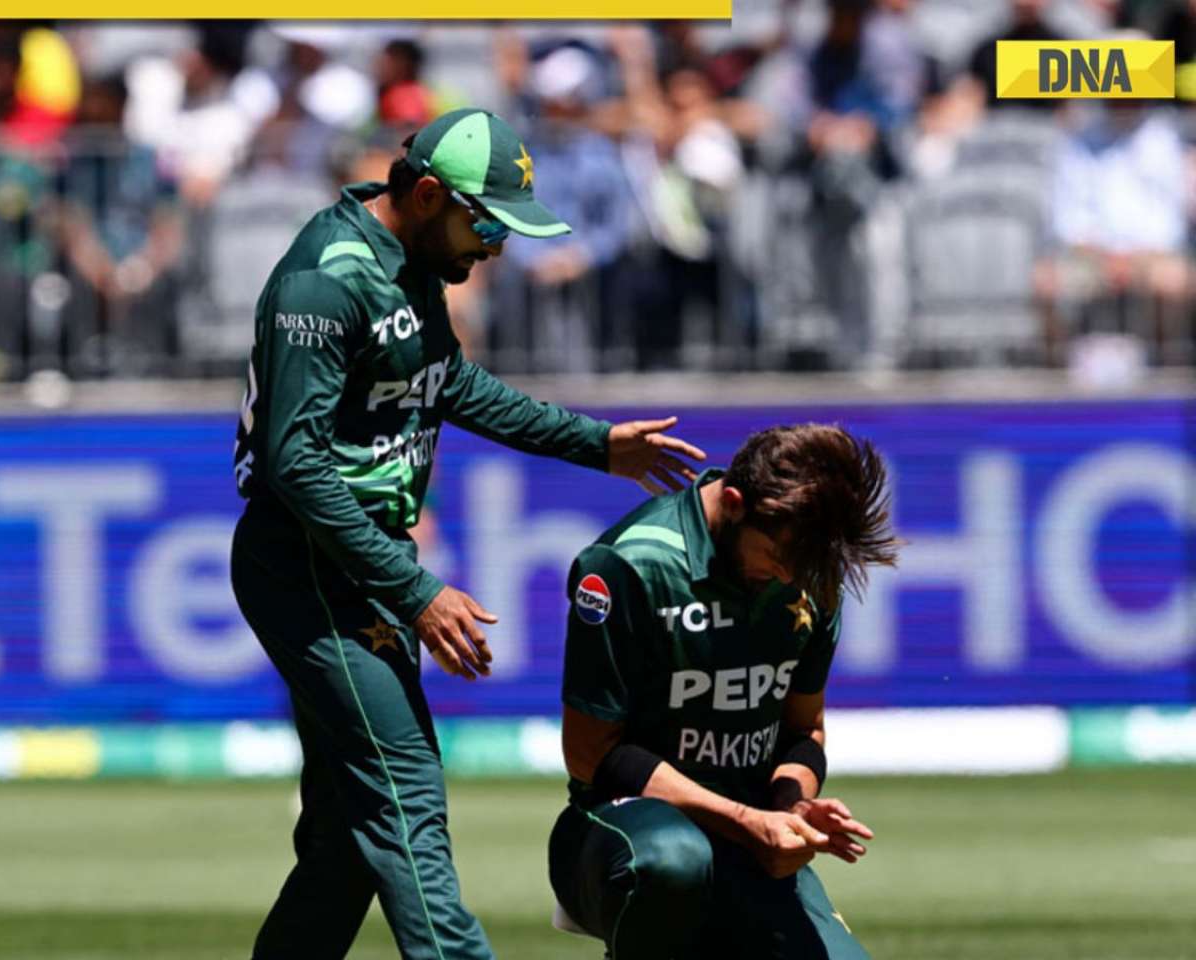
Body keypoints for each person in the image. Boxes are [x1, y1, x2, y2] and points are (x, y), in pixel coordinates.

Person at [228, 106, 705, 960]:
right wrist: (415, 592)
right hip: (308, 565)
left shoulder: (412, 264)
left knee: (346, 832)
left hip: (356, 563)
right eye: (483, 222)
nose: (494, 246)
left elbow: (455, 387)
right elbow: (294, 467)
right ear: (426, 194)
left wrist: (597, 446)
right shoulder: (325, 281)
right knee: (405, 790)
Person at [548, 423, 900, 960]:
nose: (789, 578)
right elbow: (590, 755)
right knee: (674, 860)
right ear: (734, 504)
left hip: (749, 843)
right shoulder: (629, 565)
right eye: (776, 558)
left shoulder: (810, 569)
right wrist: (746, 822)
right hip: (624, 833)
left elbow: (804, 729)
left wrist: (789, 807)